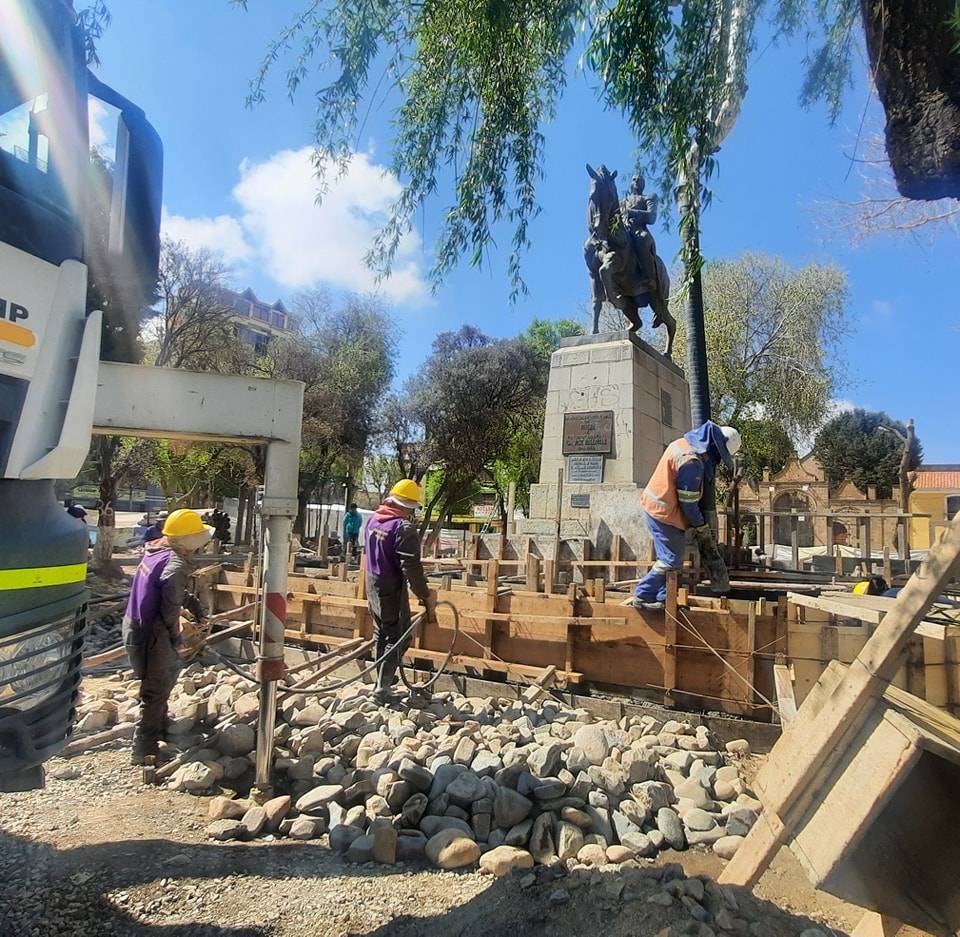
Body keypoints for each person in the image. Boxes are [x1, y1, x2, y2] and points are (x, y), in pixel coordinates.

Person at [122, 508, 212, 765]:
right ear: (190, 540)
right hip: (152, 630)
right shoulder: (176, 564)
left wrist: (193, 605)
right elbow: (170, 605)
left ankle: (160, 724)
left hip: (136, 623)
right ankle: (144, 745)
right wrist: (174, 636)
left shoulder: (157, 551)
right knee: (156, 687)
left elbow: (168, 589)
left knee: (163, 677)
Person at [632, 422, 742, 610]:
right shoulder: (692, 462)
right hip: (663, 511)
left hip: (664, 508)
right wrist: (701, 526)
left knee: (672, 558)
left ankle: (665, 600)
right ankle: (643, 596)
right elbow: (688, 503)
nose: (716, 459)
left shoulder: (685, 444)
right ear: (714, 445)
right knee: (671, 560)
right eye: (719, 454)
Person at [364, 480, 437, 705]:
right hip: (390, 587)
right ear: (409, 505)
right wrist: (424, 595)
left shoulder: (374, 519)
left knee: (382, 633)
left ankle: (381, 679)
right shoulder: (403, 528)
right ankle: (382, 689)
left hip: (372, 583)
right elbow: (411, 567)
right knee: (399, 638)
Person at [621, 174, 659, 289]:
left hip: (639, 230)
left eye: (640, 180)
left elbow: (651, 217)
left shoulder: (649, 197)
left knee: (642, 240)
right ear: (630, 183)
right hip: (624, 230)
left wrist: (632, 212)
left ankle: (650, 277)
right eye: (634, 179)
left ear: (644, 184)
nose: (636, 181)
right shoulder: (622, 202)